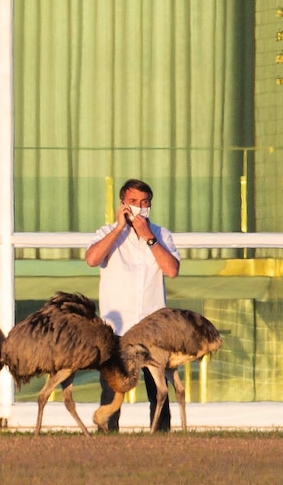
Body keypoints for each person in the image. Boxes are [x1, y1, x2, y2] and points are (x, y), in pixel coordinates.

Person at [85, 178, 181, 432]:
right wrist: (119, 228)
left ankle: (161, 437)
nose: (139, 208)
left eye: (144, 202)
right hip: (118, 328)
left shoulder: (162, 234)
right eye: (133, 202)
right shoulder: (107, 233)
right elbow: (92, 259)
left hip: (153, 329)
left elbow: (171, 270)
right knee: (113, 387)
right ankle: (107, 437)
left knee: (158, 388)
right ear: (122, 203)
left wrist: (150, 238)